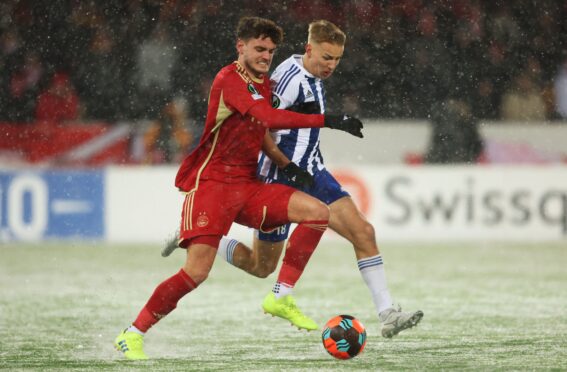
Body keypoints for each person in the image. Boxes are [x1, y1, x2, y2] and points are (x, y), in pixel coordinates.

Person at [114, 16, 363, 360]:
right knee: (196, 273)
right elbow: (271, 118)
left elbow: (260, 131)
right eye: (259, 48)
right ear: (240, 47)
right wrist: (329, 119)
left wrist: (286, 165)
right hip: (212, 185)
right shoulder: (229, 79)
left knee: (317, 213)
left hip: (247, 184)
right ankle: (133, 333)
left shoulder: (263, 84)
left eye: (271, 51)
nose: (265, 56)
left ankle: (280, 295)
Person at [163, 19, 423, 339]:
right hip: (279, 177)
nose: (331, 65)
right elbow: (261, 128)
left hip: (313, 171)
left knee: (363, 232)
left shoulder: (312, 74)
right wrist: (286, 166)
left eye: (337, 59)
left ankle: (387, 314)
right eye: (326, 57)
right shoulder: (286, 80)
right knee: (261, 267)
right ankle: (202, 240)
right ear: (309, 49)